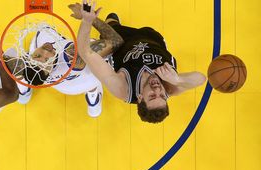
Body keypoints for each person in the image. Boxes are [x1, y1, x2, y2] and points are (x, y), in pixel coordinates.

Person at [77, 0, 207, 123]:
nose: (157, 90)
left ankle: (92, 90)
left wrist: (87, 21)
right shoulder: (170, 87)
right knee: (146, 29)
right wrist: (178, 79)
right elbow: (201, 79)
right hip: (153, 38)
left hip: (122, 42)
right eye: (162, 96)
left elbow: (86, 53)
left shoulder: (123, 88)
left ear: (139, 97)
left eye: (152, 96)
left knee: (108, 26)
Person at [13, 3, 124, 117]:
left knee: (17, 70)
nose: (45, 51)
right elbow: (116, 41)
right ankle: (93, 99)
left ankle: (24, 92)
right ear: (49, 68)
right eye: (47, 60)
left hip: (62, 86)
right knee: (93, 76)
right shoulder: (73, 56)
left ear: (30, 59)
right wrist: (90, 19)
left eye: (37, 56)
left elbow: (18, 67)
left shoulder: (31, 68)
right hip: (85, 82)